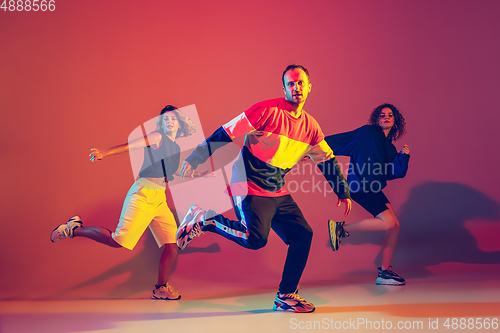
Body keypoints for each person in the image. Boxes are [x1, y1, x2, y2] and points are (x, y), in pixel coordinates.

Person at [175, 64, 352, 313]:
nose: (296, 88)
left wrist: (342, 192)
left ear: (309, 87)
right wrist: (195, 158)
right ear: (284, 89)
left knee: (303, 235)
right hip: (247, 182)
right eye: (291, 84)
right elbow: (226, 132)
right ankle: (206, 221)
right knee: (255, 239)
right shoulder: (266, 111)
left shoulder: (311, 127)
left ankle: (286, 296)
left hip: (276, 188)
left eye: (300, 83)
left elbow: (326, 159)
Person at [50, 105, 210, 300]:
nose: (169, 122)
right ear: (161, 123)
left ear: (179, 123)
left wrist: (200, 175)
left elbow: (172, 171)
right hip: (143, 194)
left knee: (172, 244)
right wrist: (104, 153)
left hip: (159, 198)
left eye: (173, 119)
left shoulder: (175, 147)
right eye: (165, 119)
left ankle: (161, 288)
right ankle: (72, 229)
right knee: (119, 241)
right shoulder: (157, 137)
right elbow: (130, 145)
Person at [325, 103, 410, 285]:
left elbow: (397, 172)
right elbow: (343, 140)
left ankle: (385, 273)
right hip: (360, 186)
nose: (386, 117)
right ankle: (341, 229)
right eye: (382, 115)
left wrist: (403, 156)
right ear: (376, 119)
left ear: (395, 122)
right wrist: (316, 149)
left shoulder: (389, 148)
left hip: (373, 187)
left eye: (390, 115)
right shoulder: (367, 133)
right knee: (388, 222)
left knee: (394, 225)